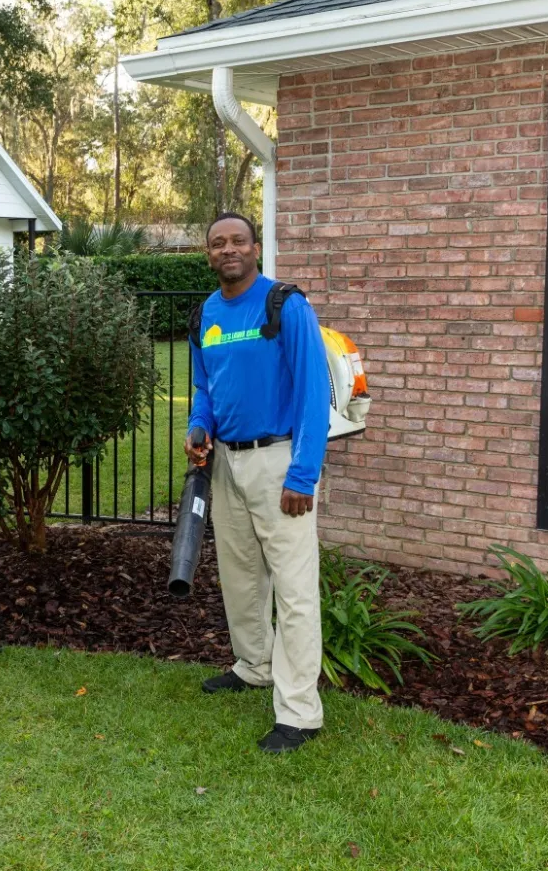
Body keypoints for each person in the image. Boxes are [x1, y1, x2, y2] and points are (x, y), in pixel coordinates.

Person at [185, 213, 331, 754]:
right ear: (208, 253)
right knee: (242, 576)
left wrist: (303, 474)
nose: (228, 249)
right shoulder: (206, 312)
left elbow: (314, 393)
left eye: (238, 241)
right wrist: (198, 426)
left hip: (279, 461)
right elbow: (205, 383)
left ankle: (300, 713)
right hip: (226, 462)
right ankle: (253, 665)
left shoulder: (285, 305)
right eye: (217, 242)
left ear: (256, 247)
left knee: (293, 591)